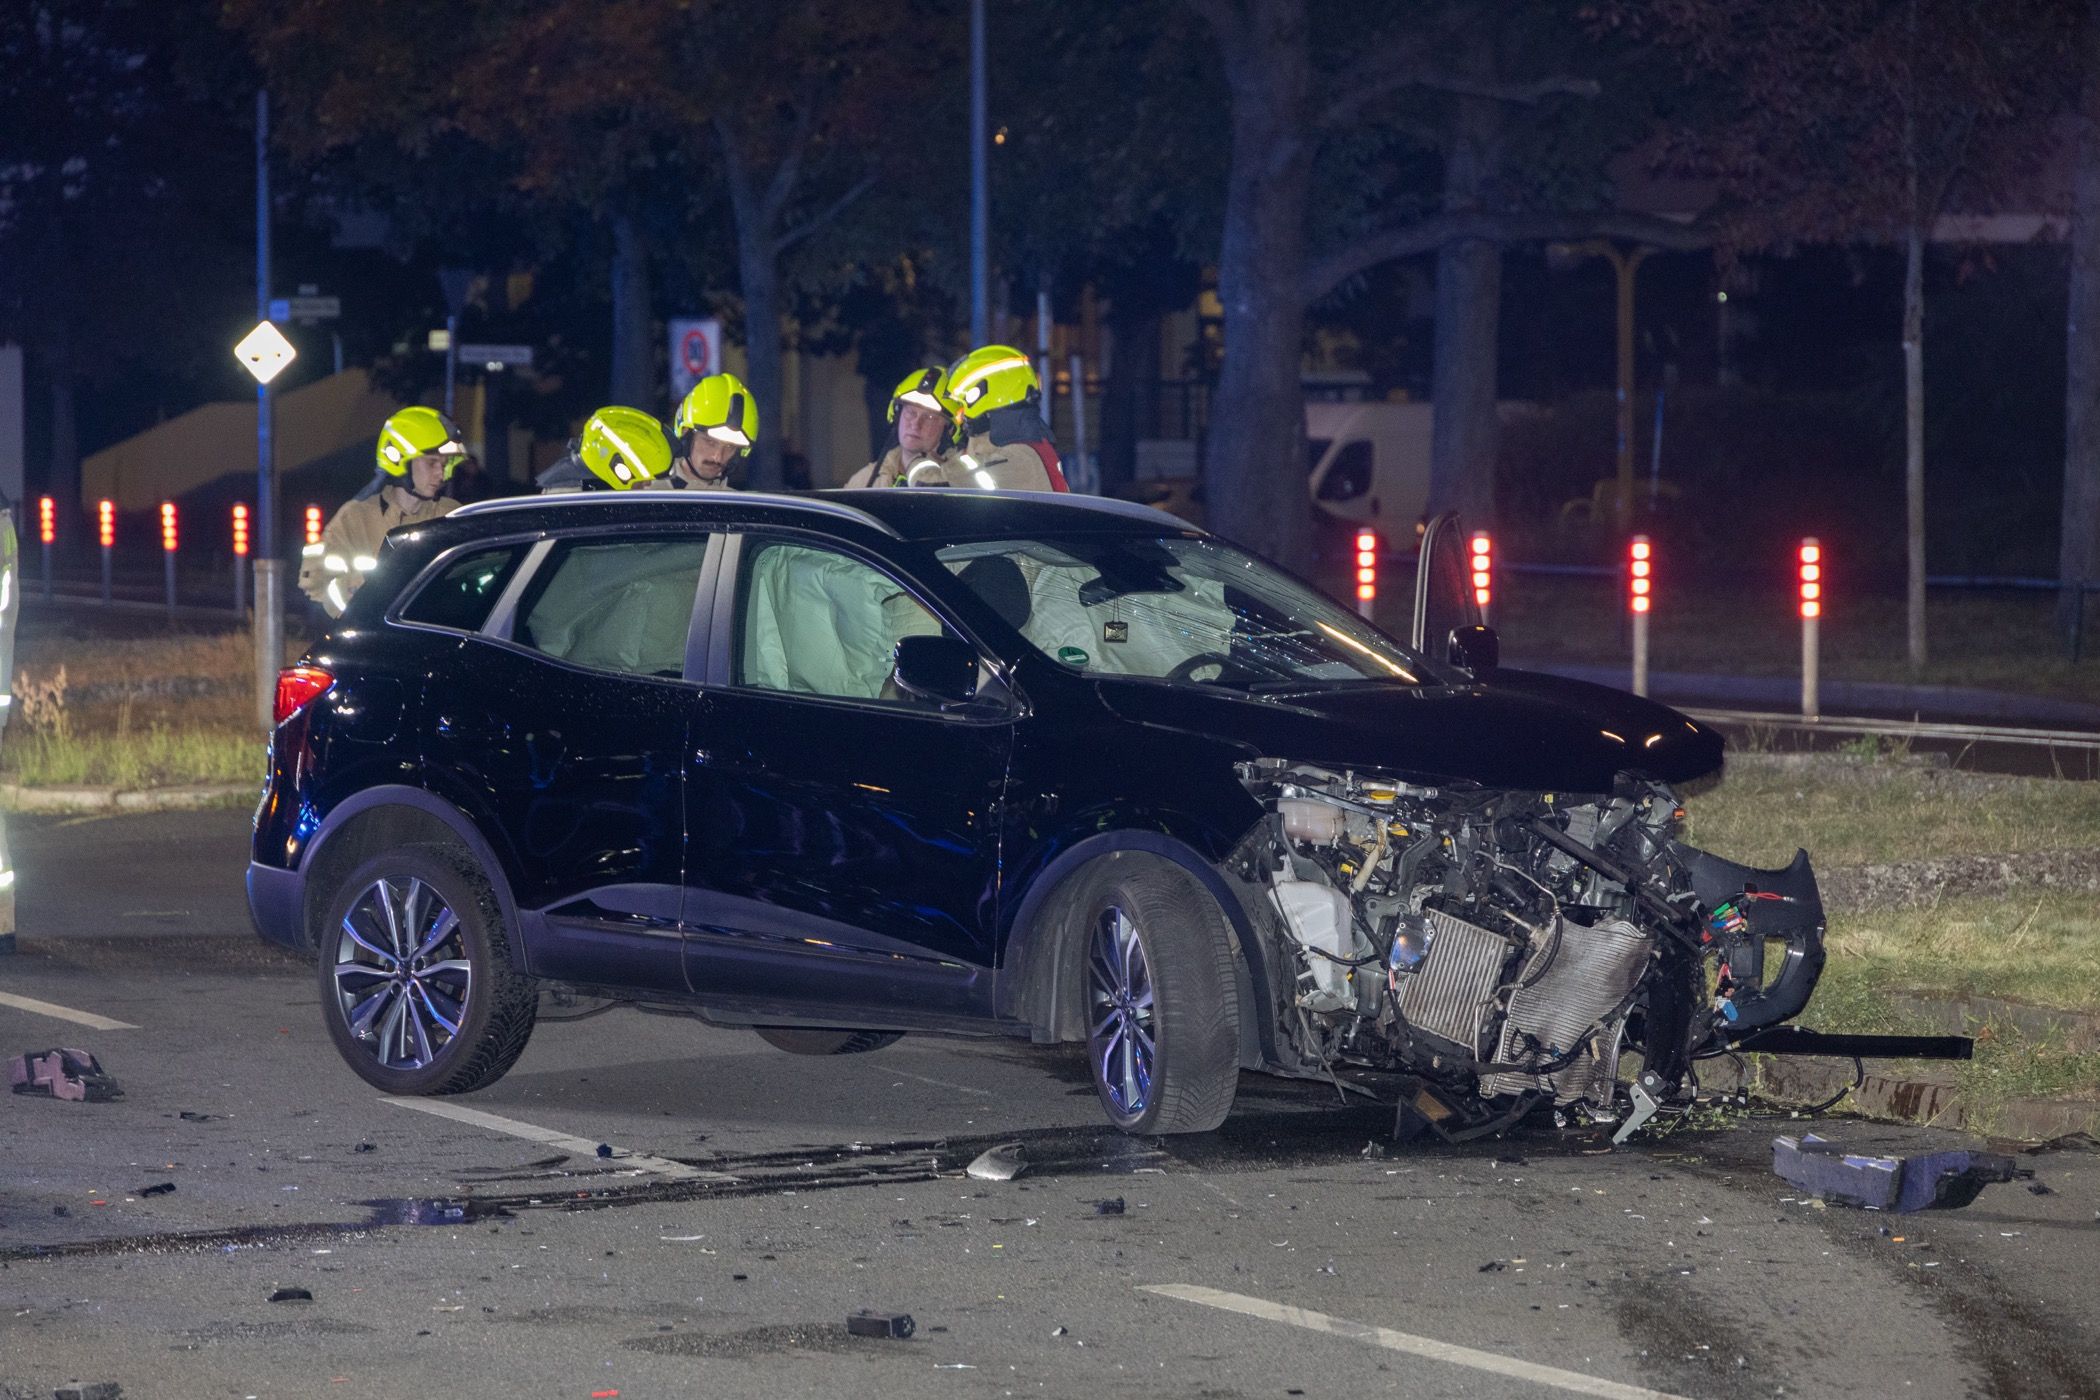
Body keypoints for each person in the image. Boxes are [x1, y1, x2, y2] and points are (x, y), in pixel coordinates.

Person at [299, 407, 465, 617]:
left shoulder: (452, 515)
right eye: (431, 462)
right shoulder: (356, 518)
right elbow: (315, 582)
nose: (440, 473)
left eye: (444, 464)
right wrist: (356, 616)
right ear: (398, 458)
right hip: (370, 643)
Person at [944, 345, 1069, 492]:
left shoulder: (1020, 455)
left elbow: (943, 484)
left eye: (963, 405)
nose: (961, 415)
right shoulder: (1024, 443)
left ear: (982, 397)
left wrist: (914, 460)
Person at [844, 367, 957, 488]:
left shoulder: (960, 481)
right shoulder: (863, 481)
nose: (915, 424)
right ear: (896, 415)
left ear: (949, 429)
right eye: (910, 412)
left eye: (929, 417)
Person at [537, 406, 678, 493]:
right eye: (641, 483)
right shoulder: (571, 504)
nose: (647, 488)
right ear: (619, 469)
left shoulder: (581, 496)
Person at [668, 371, 757, 490]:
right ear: (685, 433)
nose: (718, 457)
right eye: (710, 442)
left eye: (730, 447)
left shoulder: (742, 505)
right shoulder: (649, 493)